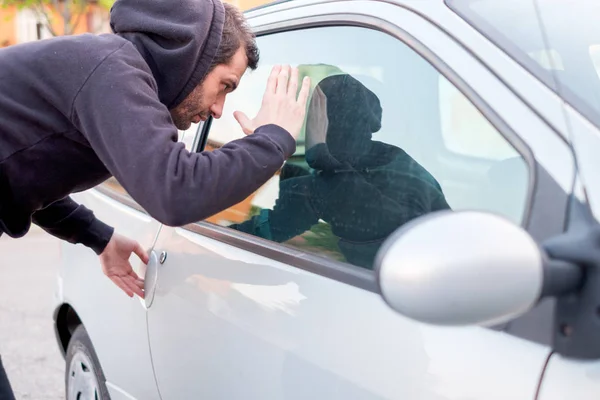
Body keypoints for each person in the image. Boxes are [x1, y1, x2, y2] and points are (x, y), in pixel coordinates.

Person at [0, 0, 310, 397]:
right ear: (193, 60)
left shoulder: (108, 71)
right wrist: (274, 139)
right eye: (225, 86)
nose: (218, 109)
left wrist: (99, 236)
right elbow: (175, 191)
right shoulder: (111, 69)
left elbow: (22, 168)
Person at [232, 73, 450, 269]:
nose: (312, 129)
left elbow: (404, 229)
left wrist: (329, 168)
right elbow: (279, 225)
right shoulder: (322, 173)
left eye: (325, 118)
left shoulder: (398, 172)